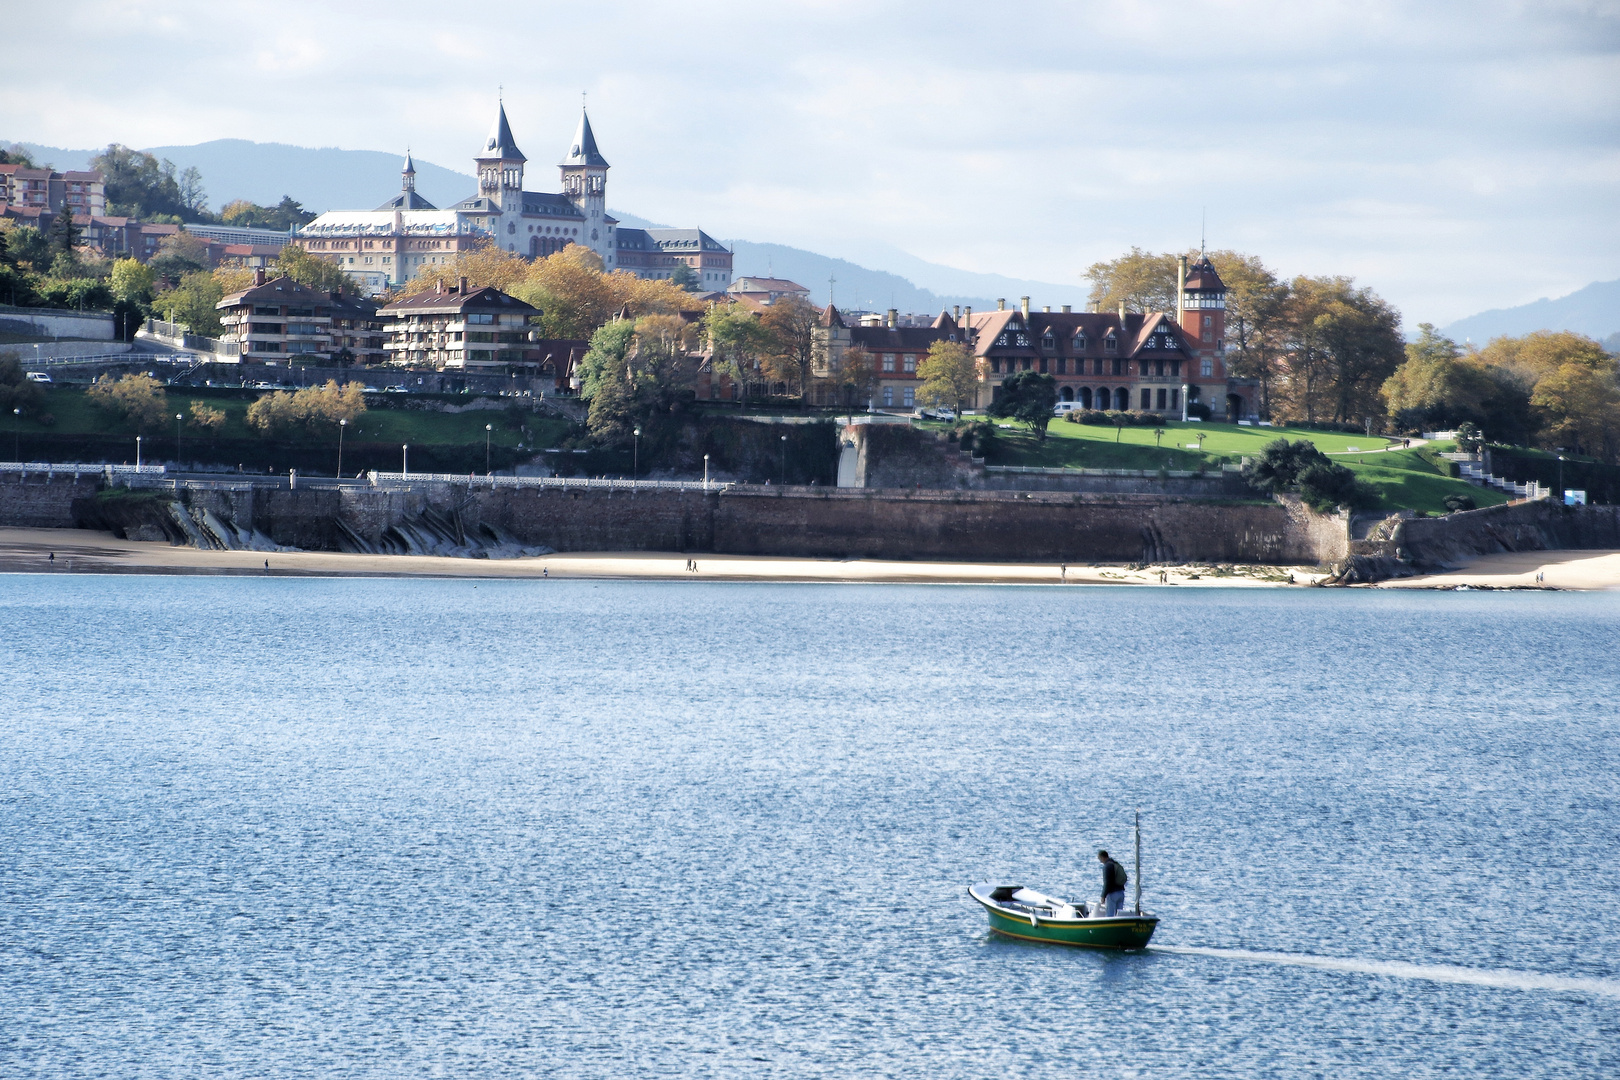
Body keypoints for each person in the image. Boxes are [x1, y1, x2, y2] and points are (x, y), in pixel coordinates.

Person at [1097, 849, 1127, 917]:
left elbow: (1107, 883)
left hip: (1112, 894)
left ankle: (1109, 927)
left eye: (1099, 858)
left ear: (1102, 857)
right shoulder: (1115, 864)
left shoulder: (1107, 866)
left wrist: (1103, 896)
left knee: (1109, 915)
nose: (1100, 861)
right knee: (1119, 915)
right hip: (1121, 892)